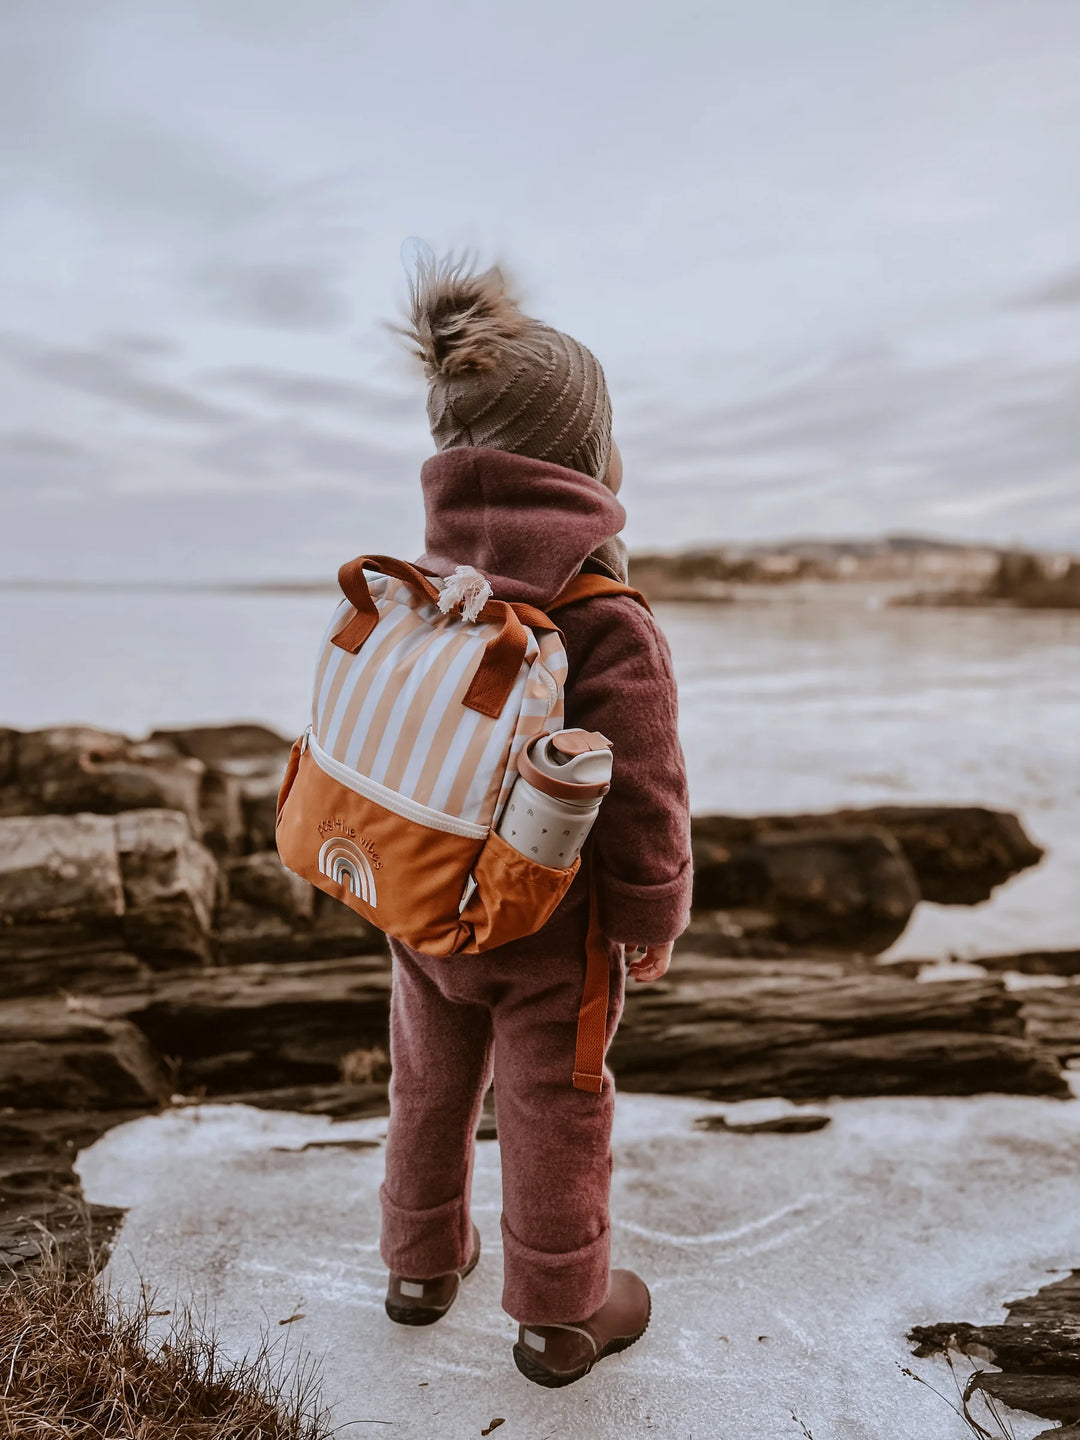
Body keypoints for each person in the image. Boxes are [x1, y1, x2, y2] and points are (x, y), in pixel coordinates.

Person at [378, 255, 693, 1387]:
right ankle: (561, 1312)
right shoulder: (602, 617)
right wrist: (654, 908)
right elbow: (646, 787)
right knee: (558, 1103)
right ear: (582, 463)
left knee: (428, 1080)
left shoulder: (431, 590)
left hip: (421, 899)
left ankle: (419, 1264)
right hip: (551, 927)